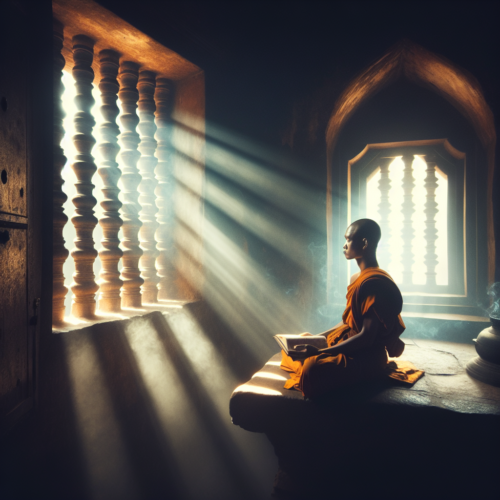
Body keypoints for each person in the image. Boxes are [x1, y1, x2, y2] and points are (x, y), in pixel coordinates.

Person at [280, 218, 423, 398]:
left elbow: (366, 337)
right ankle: (311, 354)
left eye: (349, 240)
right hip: (348, 341)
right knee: (299, 340)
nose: (344, 245)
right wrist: (317, 338)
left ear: (364, 243)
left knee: (313, 369)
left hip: (366, 355)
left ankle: (314, 363)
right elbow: (347, 323)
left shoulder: (374, 283)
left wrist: (321, 351)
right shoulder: (357, 278)